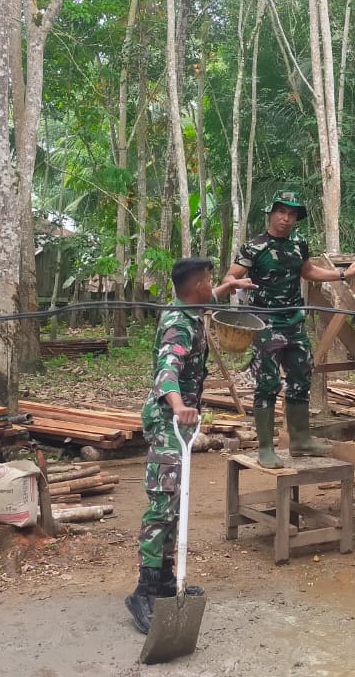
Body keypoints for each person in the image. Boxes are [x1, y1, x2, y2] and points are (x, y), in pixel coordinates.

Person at [126, 257, 254, 635]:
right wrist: (179, 405)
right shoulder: (179, 324)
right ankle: (145, 590)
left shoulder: (189, 306)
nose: (212, 286)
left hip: (178, 424)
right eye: (210, 281)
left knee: (175, 501)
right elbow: (167, 368)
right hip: (168, 420)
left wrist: (228, 288)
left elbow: (207, 298)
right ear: (197, 286)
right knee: (162, 503)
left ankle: (165, 579)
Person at [224, 190, 355, 468]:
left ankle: (300, 439)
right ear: (271, 213)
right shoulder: (254, 247)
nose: (286, 218)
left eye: (291, 214)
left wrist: (342, 273)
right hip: (265, 323)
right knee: (268, 383)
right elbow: (231, 274)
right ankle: (266, 447)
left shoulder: (299, 243)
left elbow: (307, 271)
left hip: (294, 322)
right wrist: (234, 283)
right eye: (281, 212)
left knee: (301, 376)